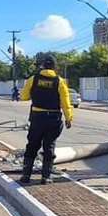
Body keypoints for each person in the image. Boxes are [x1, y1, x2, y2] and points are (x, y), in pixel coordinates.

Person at [19, 54, 73, 185]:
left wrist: (36, 95)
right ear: (55, 67)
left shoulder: (33, 79)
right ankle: (46, 177)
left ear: (42, 66)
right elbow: (66, 103)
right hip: (53, 118)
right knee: (49, 146)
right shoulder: (60, 81)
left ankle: (26, 175)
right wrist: (69, 118)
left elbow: (24, 97)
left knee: (32, 145)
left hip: (37, 118)